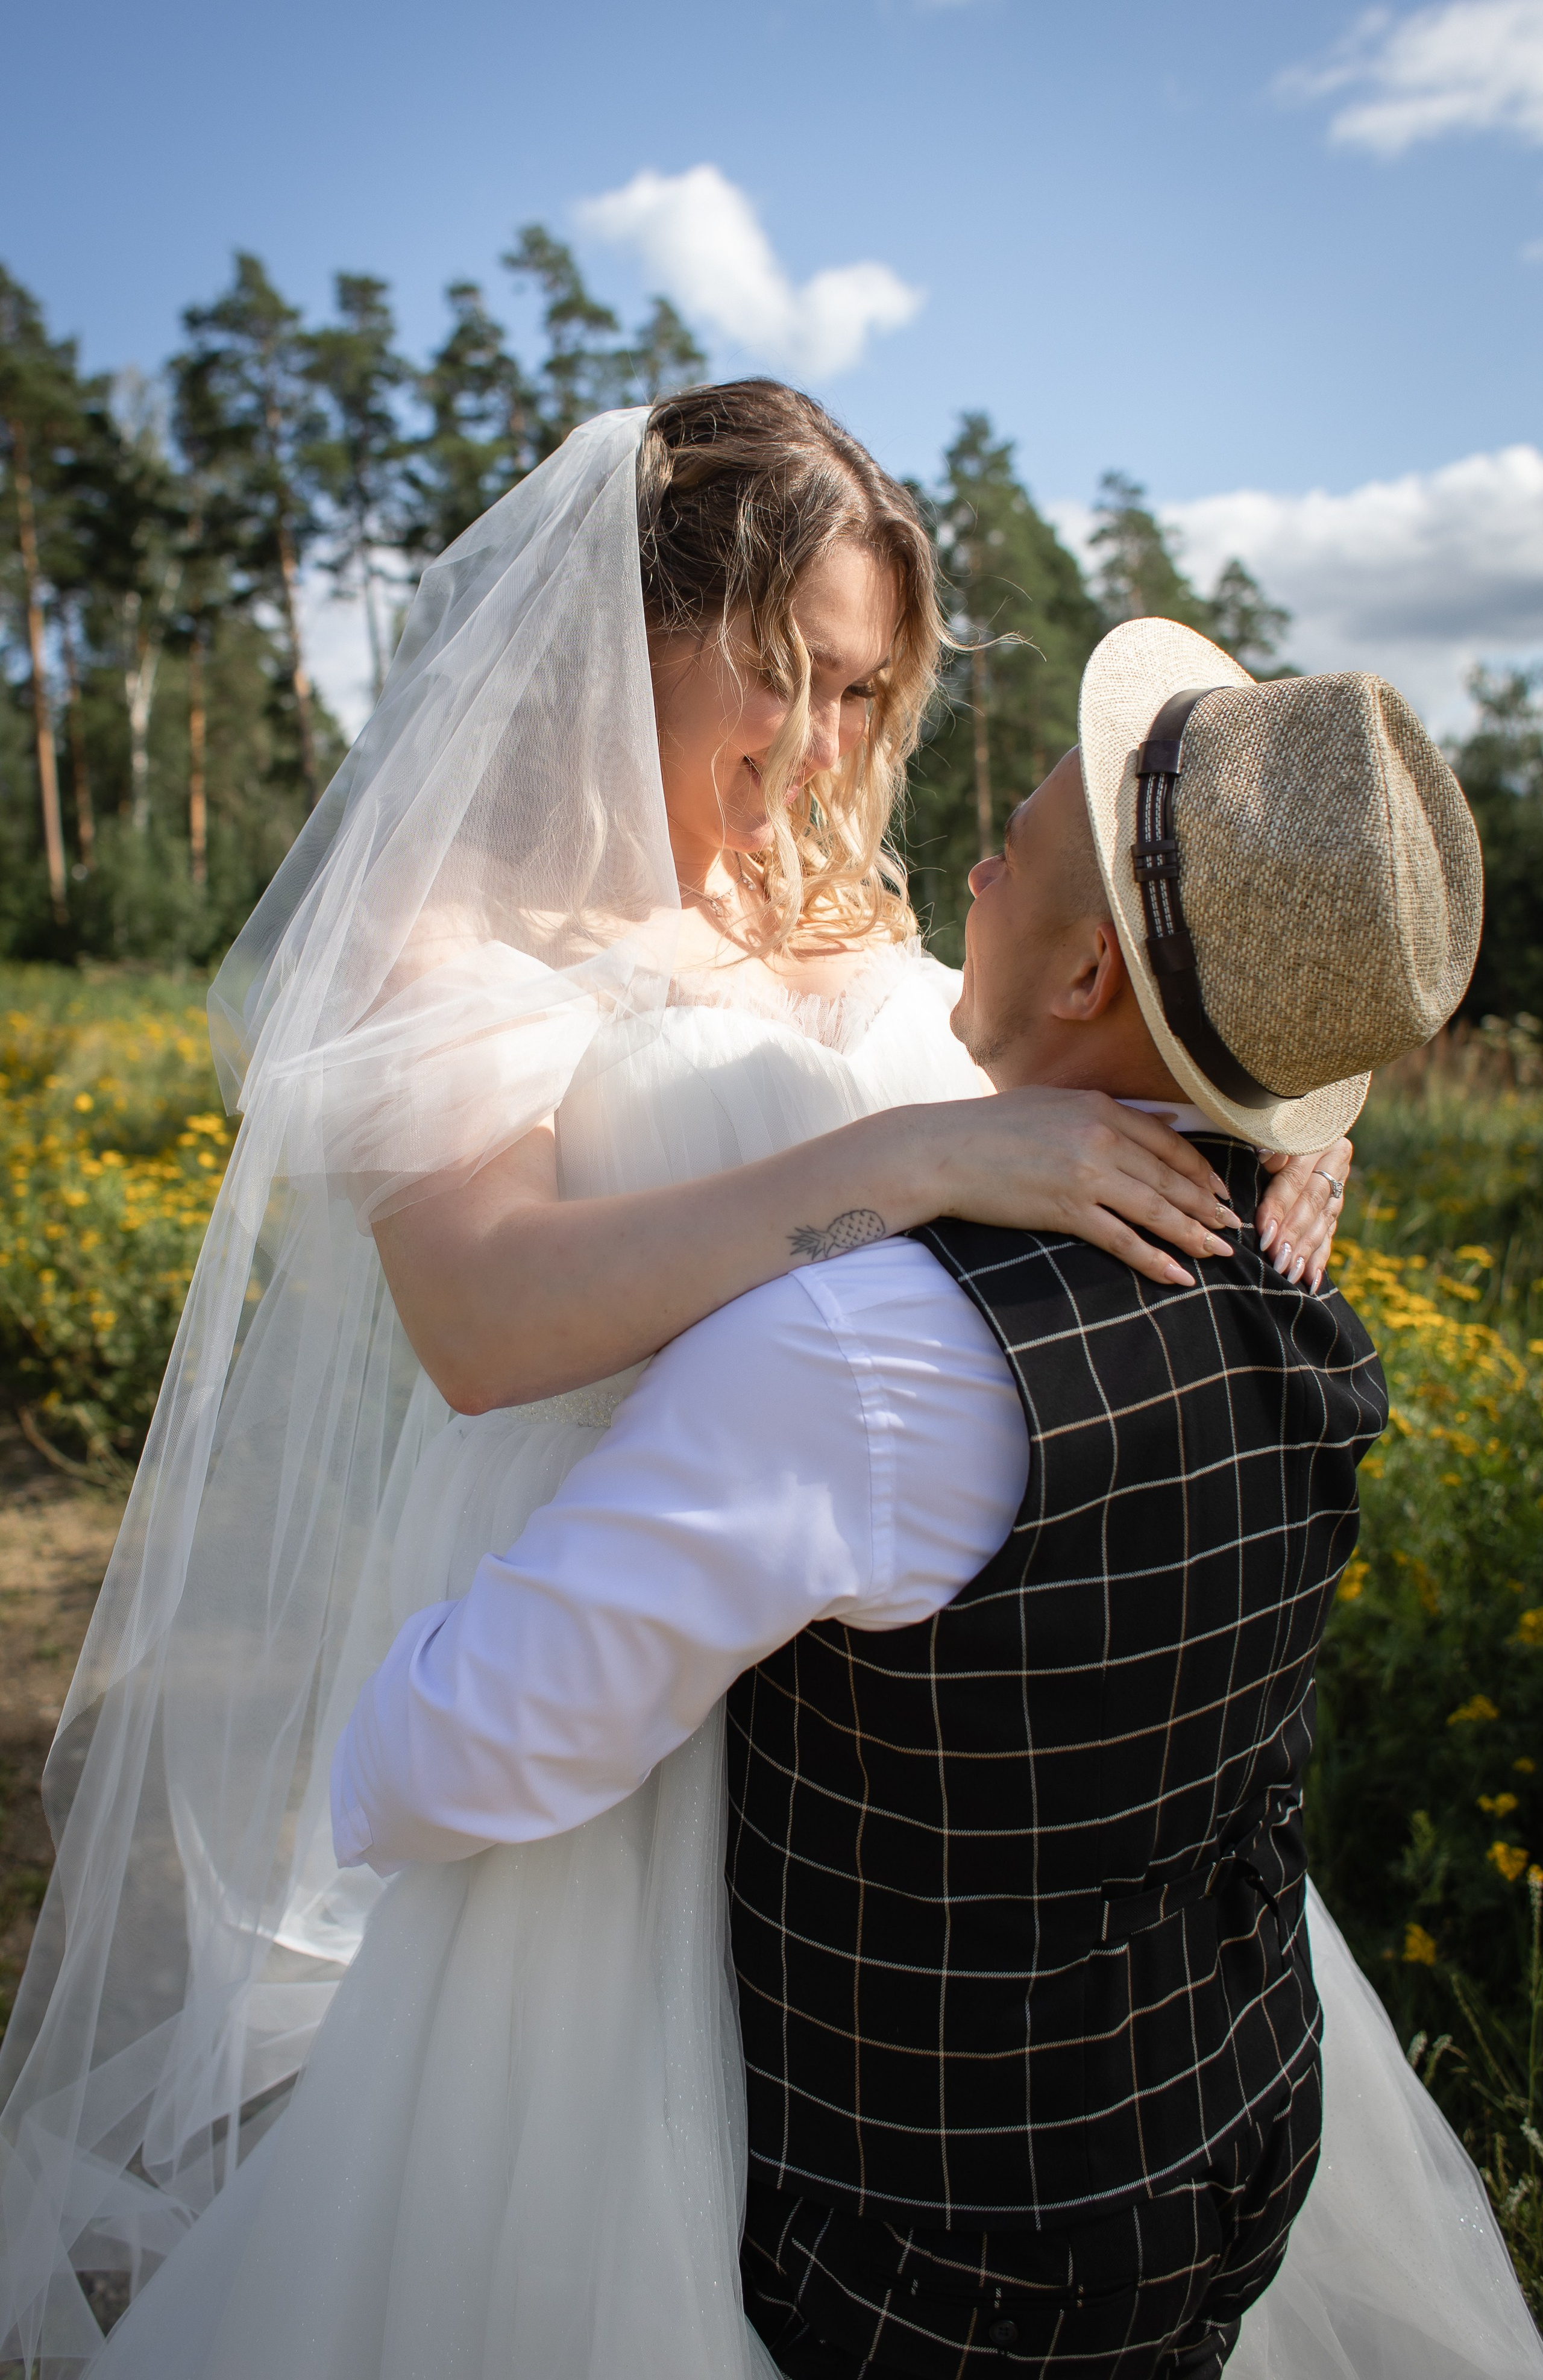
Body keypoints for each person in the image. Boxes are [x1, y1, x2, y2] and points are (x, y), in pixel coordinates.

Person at [0, 390, 1346, 2378]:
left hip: (922, 1725)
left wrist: (1283, 1113)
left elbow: (1071, 1079)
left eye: (865, 689)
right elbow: (479, 1324)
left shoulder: (824, 880)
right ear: (629, 617)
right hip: (614, 1715)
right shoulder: (444, 926)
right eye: (787, 673)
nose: (820, 746)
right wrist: (894, 1166)